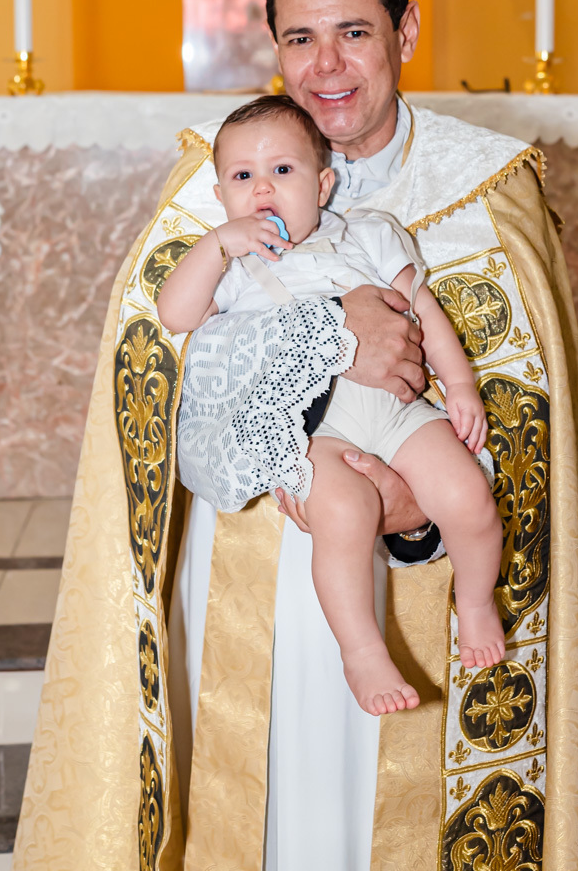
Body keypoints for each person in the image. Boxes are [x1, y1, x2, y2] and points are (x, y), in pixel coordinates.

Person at [13, 0, 578, 871]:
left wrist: (410, 500)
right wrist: (335, 340)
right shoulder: (213, 186)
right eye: (300, 38)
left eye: (354, 30)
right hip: (258, 559)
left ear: (406, 31)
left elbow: (531, 405)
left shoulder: (487, 189)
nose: (327, 65)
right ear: (272, 46)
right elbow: (149, 379)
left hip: (434, 572)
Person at [157, 95, 506, 714]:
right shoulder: (233, 267)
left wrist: (459, 386)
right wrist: (217, 245)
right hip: (320, 427)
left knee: (467, 496)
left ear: (323, 184)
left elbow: (424, 313)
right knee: (342, 516)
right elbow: (175, 316)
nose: (263, 187)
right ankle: (362, 649)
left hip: (398, 407)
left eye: (283, 171)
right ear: (222, 195)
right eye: (243, 177)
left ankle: (476, 604)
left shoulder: (367, 235)